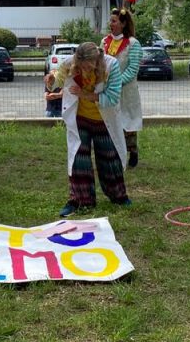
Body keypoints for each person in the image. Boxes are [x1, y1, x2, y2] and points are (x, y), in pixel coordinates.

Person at [48, 41, 131, 217]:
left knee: (110, 158)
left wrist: (85, 94)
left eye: (88, 66)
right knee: (79, 159)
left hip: (104, 119)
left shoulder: (111, 65)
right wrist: (51, 81)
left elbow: (113, 98)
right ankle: (79, 200)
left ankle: (119, 196)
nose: (85, 69)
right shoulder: (71, 63)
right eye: (81, 66)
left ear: (96, 61)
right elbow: (58, 80)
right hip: (80, 118)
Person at [102, 8, 143, 167]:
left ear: (123, 23)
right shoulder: (105, 41)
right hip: (109, 90)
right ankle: (114, 153)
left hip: (126, 91)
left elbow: (132, 69)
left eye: (114, 21)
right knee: (111, 121)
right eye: (110, 21)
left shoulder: (133, 44)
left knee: (128, 121)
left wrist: (116, 82)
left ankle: (132, 151)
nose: (110, 24)